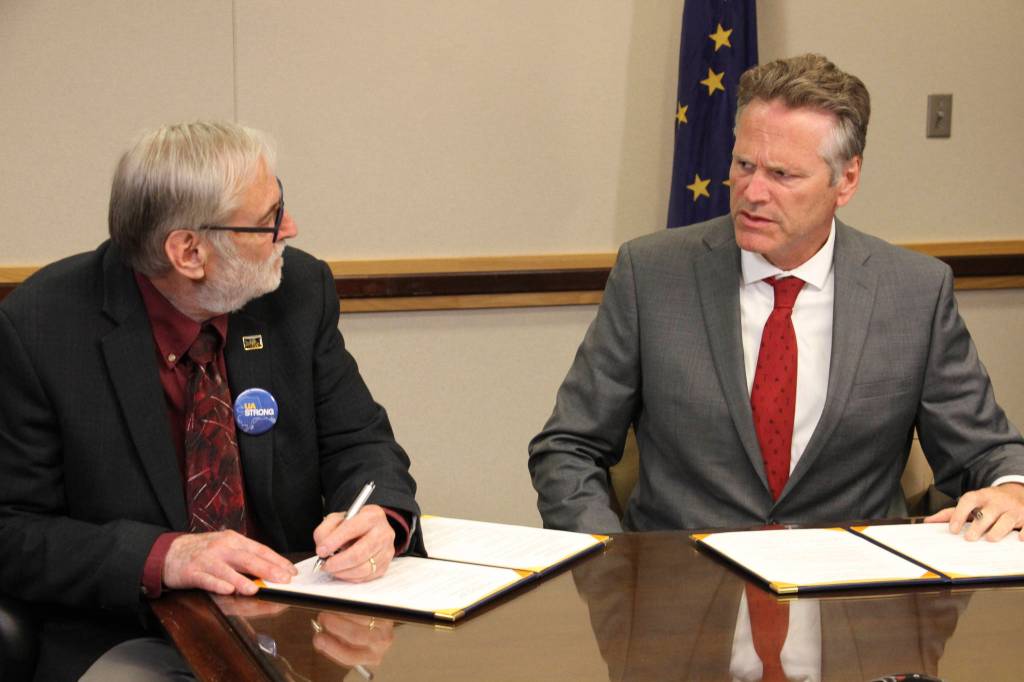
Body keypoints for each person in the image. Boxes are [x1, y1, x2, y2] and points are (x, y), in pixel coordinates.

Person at [529, 54, 1024, 539]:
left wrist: (1012, 490)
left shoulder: (914, 292)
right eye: (744, 164)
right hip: (681, 594)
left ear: (846, 179)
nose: (752, 192)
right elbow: (568, 447)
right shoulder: (652, 275)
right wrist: (609, 562)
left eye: (782, 175)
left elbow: (984, 452)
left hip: (852, 596)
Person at [0, 121, 423, 679]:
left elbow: (361, 442)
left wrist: (378, 517)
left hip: (298, 619)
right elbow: (13, 530)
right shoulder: (41, 328)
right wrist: (166, 556)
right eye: (268, 219)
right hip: (132, 628)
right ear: (188, 251)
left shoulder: (296, 291)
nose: (290, 228)